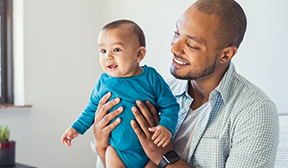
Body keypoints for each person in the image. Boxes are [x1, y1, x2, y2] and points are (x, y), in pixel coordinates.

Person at [93, 0, 279, 167]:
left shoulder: (256, 111)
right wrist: (102, 146)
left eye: (191, 44)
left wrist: (165, 157)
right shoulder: (162, 91)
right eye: (177, 33)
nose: (174, 48)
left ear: (226, 55)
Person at [61, 19, 180, 168]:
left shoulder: (151, 77)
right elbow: (91, 109)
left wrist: (166, 127)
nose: (108, 56)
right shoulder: (103, 81)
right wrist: (76, 128)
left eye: (116, 49)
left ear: (139, 54)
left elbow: (170, 106)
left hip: (150, 152)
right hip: (117, 152)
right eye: (103, 51)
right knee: (110, 152)